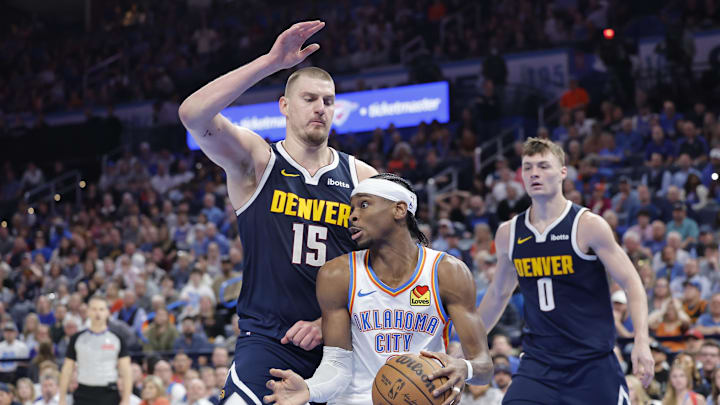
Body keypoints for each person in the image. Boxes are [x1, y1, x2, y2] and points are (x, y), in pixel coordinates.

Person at [178, 20, 376, 404]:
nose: (320, 108)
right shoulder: (258, 162)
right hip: (269, 341)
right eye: (309, 98)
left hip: (341, 344)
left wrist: (329, 321)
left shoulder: (362, 179)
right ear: (284, 105)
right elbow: (193, 114)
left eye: (328, 101)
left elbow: (391, 270)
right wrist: (270, 63)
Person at [263, 174, 493, 405]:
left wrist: (465, 368)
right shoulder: (338, 274)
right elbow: (337, 365)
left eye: (364, 205)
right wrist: (309, 389)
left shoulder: (448, 272)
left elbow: (484, 366)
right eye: (352, 208)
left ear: (399, 210)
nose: (352, 215)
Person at [478, 137, 654, 404]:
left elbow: (632, 282)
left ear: (563, 172)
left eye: (543, 166)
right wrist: (466, 343)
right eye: (528, 167)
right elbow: (498, 294)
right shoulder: (508, 233)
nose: (534, 173)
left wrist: (641, 339)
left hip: (592, 363)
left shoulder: (588, 225)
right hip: (539, 365)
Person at [58, 296, 132, 405]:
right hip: (83, 393)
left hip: (109, 393)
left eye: (101, 309)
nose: (98, 313)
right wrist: (62, 398)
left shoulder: (117, 339)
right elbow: (67, 369)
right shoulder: (77, 339)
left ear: (107, 312)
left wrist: (126, 399)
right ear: (88, 312)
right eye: (94, 309)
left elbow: (126, 371)